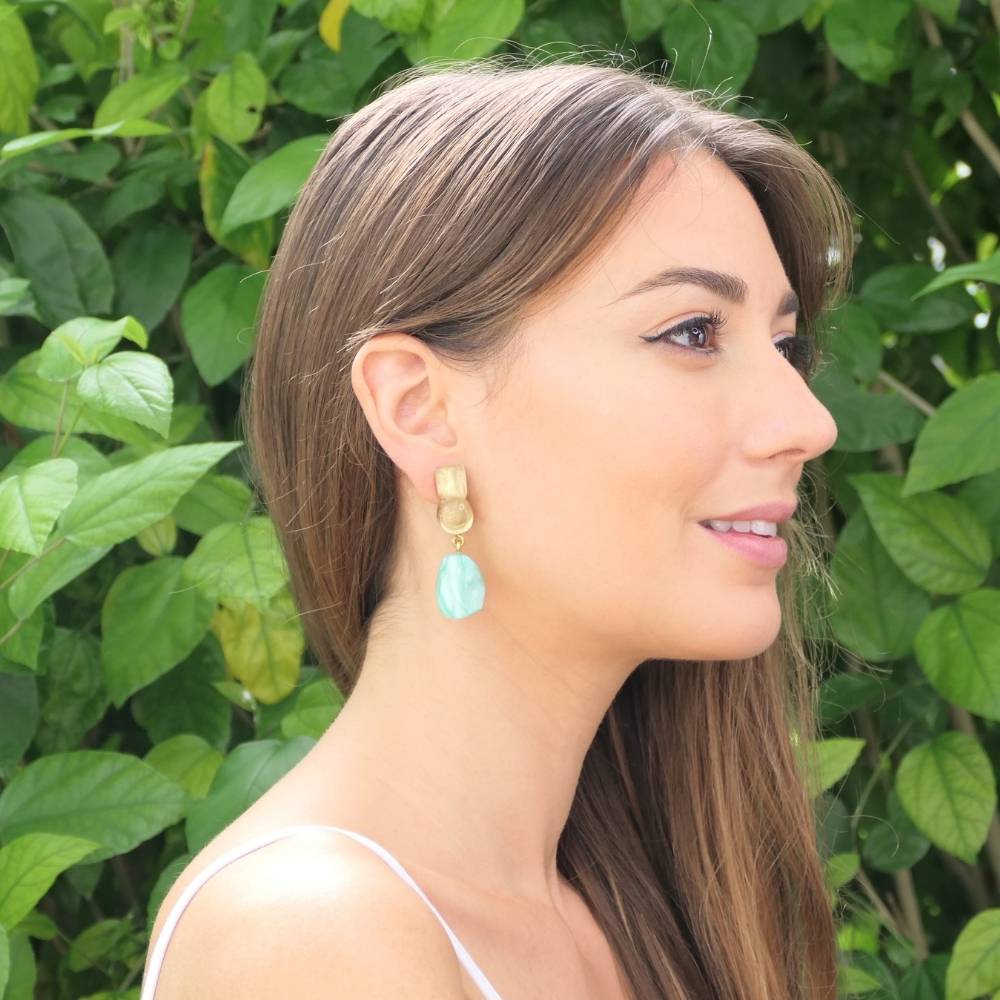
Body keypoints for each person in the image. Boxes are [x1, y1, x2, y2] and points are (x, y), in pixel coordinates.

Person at [141, 55, 855, 999]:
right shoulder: (313, 935)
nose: (809, 422)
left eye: (784, 345)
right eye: (692, 332)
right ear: (420, 409)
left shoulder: (641, 907)